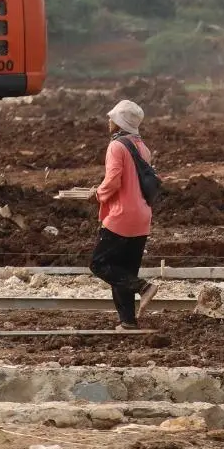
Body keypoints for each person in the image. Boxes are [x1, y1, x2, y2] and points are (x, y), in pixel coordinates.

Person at [89, 100, 158, 330]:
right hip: (142, 217)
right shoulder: (143, 148)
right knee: (125, 272)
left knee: (99, 264)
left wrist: (97, 194)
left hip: (121, 216)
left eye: (112, 118)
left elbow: (113, 181)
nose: (108, 120)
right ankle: (128, 321)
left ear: (119, 122)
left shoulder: (116, 146)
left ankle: (144, 287)